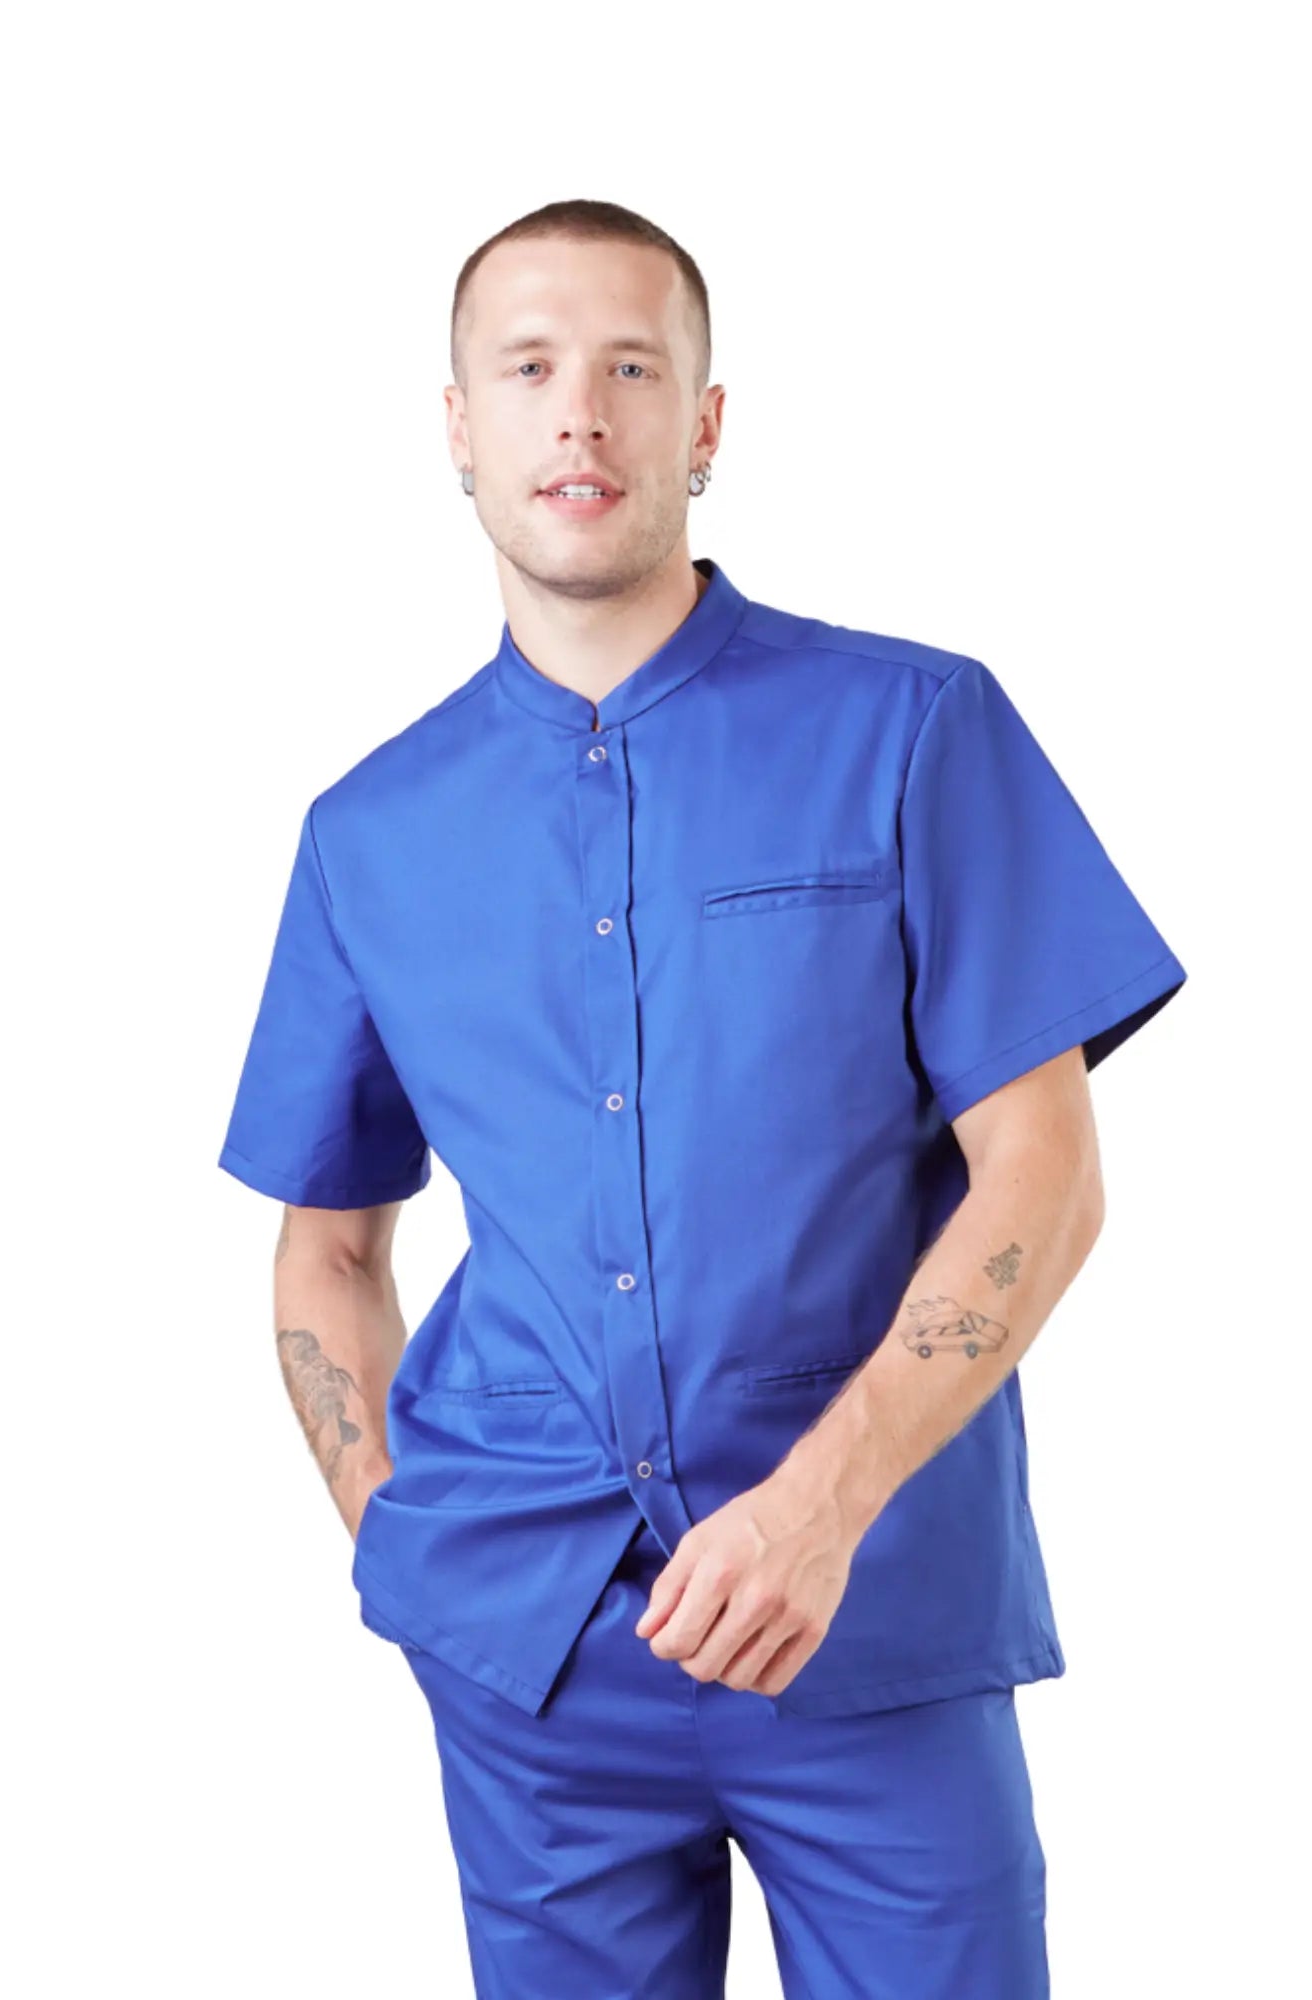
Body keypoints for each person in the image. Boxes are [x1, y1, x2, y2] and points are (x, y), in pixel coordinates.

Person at [216, 197, 1187, 1998]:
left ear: (707, 423)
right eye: (529, 369)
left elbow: (1044, 1172)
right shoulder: (369, 834)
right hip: (532, 1665)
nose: (579, 414)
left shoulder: (912, 730)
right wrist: (408, 1554)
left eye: (631, 369)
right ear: (458, 428)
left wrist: (822, 1507)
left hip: (870, 1625)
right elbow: (326, 1250)